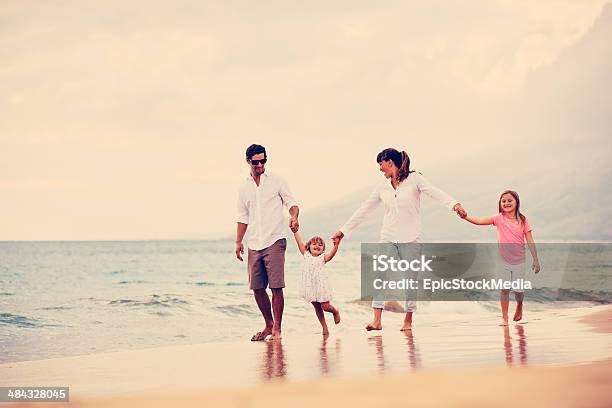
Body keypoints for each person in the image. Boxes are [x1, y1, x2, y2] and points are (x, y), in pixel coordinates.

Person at [332, 148, 466, 331]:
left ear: (390, 162)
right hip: (388, 237)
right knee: (380, 276)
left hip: (411, 239)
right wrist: (343, 231)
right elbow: (364, 210)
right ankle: (377, 321)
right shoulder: (382, 187)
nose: (380, 168)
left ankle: (408, 320)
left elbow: (435, 192)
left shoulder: (415, 179)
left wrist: (454, 204)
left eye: (381, 164)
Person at [236, 144, 299, 341]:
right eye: (256, 162)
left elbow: (292, 203)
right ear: (248, 162)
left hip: (275, 239)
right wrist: (238, 241)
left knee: (276, 286)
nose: (260, 164)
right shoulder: (244, 187)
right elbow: (242, 216)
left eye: (263, 160)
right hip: (254, 242)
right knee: (256, 287)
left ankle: (277, 329)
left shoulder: (277, 181)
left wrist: (294, 217)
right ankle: (268, 324)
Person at [463, 190, 540, 326]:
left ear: (516, 202)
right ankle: (504, 318)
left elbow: (530, 240)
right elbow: (479, 221)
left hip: (519, 261)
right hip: (503, 260)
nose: (506, 203)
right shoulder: (498, 218)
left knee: (518, 290)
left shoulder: (523, 220)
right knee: (504, 289)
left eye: (510, 200)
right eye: (503, 201)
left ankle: (519, 305)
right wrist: (465, 216)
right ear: (500, 204)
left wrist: (536, 259)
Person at [292, 231, 341, 336]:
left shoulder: (322, 258)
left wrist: (336, 245)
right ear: (309, 246)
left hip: (321, 286)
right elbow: (299, 242)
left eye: (320, 245)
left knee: (325, 306)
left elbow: (332, 254)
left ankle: (335, 312)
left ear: (323, 249)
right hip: (310, 287)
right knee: (317, 308)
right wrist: (295, 232)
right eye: (314, 244)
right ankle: (324, 327)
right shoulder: (306, 254)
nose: (317, 246)